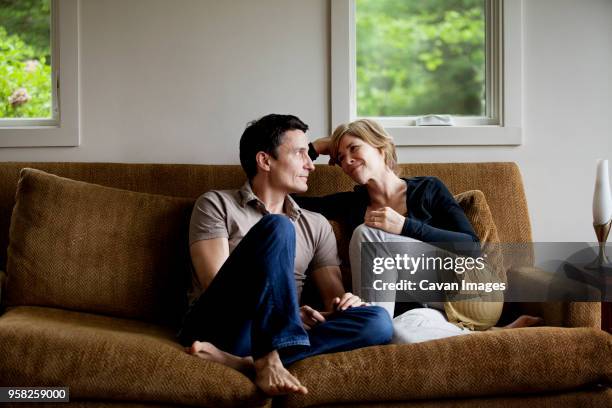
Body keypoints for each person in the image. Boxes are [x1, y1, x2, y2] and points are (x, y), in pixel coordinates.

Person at [177, 114, 393, 396]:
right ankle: (266, 358)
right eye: (300, 153)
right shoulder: (216, 204)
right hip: (221, 327)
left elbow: (331, 301)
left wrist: (345, 304)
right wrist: (284, 313)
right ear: (265, 161)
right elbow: (214, 285)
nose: (310, 165)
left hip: (279, 336)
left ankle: (247, 364)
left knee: (377, 320)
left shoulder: (316, 224)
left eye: (309, 153)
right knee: (279, 227)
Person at [295, 118, 541, 343]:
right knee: (398, 335)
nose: (346, 160)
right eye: (339, 157)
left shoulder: (428, 188)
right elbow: (287, 195)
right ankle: (495, 335)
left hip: (472, 291)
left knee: (367, 234)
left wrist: (405, 226)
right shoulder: (351, 204)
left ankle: (367, 321)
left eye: (354, 148)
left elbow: (472, 248)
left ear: (381, 147)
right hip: (436, 311)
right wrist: (315, 147)